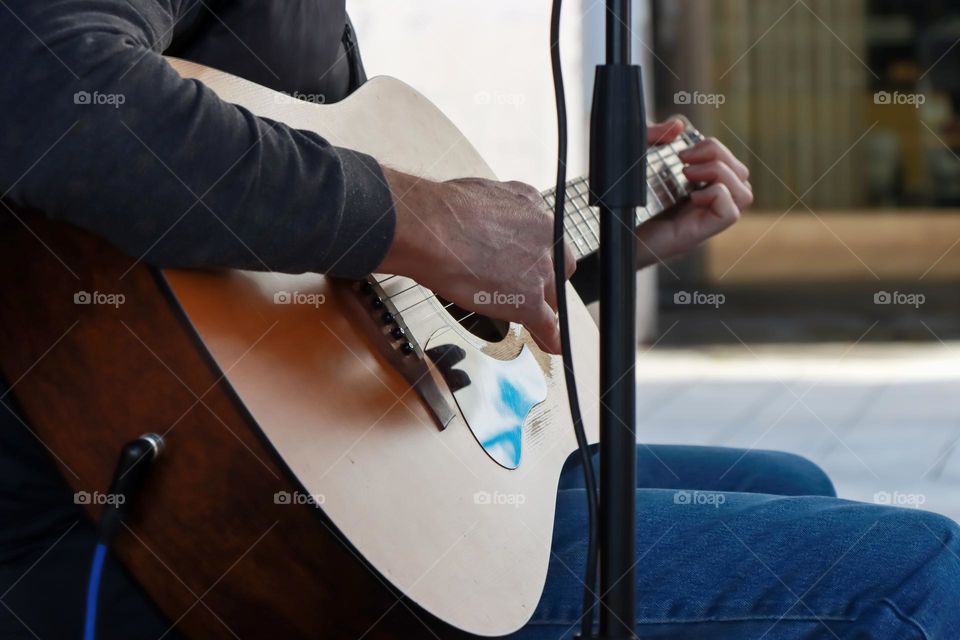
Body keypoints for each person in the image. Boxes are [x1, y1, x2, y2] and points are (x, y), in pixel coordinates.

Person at [0, 2, 956, 639]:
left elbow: (367, 304)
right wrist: (428, 218)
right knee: (916, 573)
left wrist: (600, 247)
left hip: (345, 475)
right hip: (174, 535)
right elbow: (48, 91)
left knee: (789, 480)